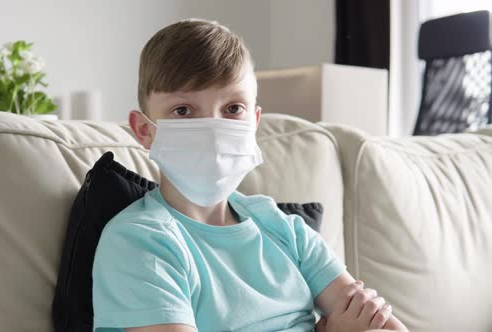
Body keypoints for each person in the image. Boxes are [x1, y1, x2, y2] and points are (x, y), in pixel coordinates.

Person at [92, 18, 408, 332]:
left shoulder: (285, 230)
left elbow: (387, 327)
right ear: (145, 130)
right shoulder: (140, 242)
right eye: (183, 110)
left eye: (232, 108)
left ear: (254, 122)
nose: (214, 131)